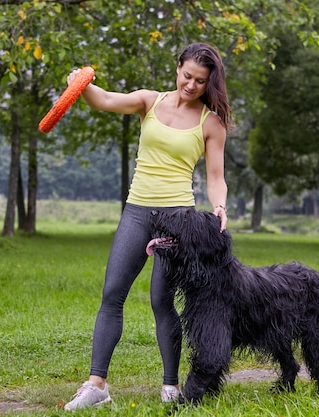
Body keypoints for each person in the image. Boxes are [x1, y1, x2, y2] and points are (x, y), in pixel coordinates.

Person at [63, 42, 232, 411]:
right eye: (187, 76)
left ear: (209, 83)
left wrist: (219, 205)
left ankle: (171, 386)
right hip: (138, 211)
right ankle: (97, 385)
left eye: (200, 81)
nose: (191, 85)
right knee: (112, 294)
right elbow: (103, 99)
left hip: (178, 220)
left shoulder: (211, 123)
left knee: (161, 300)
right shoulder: (148, 101)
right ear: (178, 68)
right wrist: (78, 83)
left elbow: (215, 176)